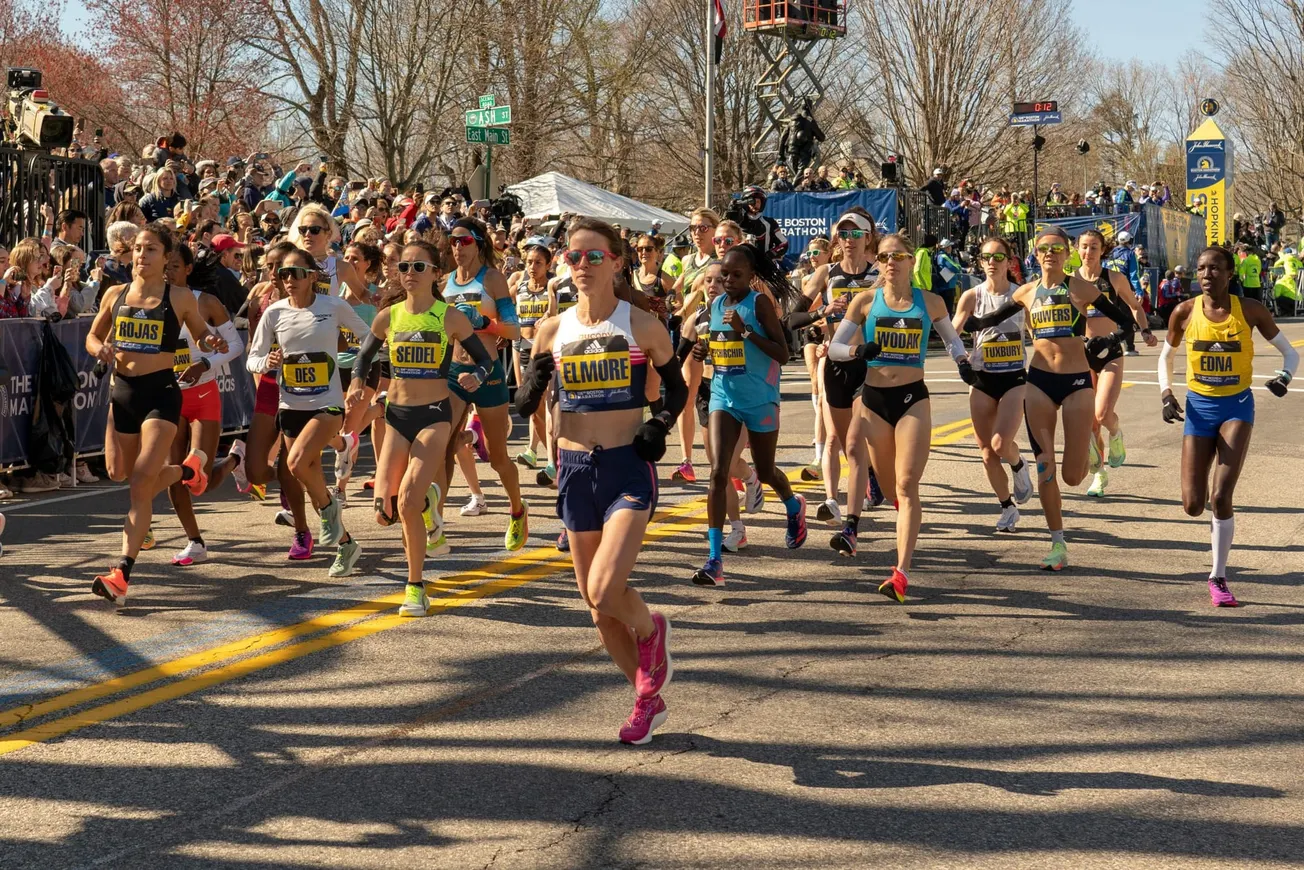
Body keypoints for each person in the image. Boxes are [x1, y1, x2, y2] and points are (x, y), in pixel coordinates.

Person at [514, 217, 685, 746]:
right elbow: (525, 403)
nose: (581, 265)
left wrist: (659, 424)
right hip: (574, 470)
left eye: (592, 256)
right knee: (596, 609)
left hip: (626, 467)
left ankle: (652, 629)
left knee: (605, 588)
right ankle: (646, 700)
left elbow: (676, 389)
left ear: (617, 261)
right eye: (573, 257)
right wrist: (530, 385)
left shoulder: (642, 325)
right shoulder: (553, 328)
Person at [965, 225, 1139, 571]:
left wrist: (1108, 341)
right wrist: (962, 326)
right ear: (1035, 253)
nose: (1050, 254)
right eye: (1043, 249)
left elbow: (1125, 323)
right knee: (1046, 467)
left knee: (1073, 477)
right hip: (1039, 383)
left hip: (1076, 383)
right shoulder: (1027, 292)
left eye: (1057, 249)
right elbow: (988, 319)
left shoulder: (1081, 288)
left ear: (1066, 254)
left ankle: (1089, 451)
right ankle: (1057, 542)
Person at [85, 223, 230, 606]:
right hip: (123, 393)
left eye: (151, 249)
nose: (142, 255)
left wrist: (211, 340)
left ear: (167, 258)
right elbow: (92, 336)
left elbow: (201, 334)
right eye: (138, 248)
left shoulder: (180, 297)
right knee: (120, 472)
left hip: (161, 395)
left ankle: (121, 573)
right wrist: (98, 347)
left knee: (140, 483)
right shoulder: (115, 294)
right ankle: (188, 470)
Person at [349, 239, 496, 616]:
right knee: (384, 512)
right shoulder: (389, 316)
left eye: (418, 267)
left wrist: (476, 377)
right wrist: (357, 387)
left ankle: (415, 587)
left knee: (407, 502)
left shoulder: (450, 317)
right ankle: (429, 507)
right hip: (396, 417)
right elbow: (364, 358)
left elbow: (485, 361)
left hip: (434, 415)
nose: (410, 274)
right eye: (404, 268)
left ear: (436, 274)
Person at [827, 232, 976, 601]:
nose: (890, 262)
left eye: (898, 256)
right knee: (893, 487)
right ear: (877, 263)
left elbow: (951, 339)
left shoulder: (930, 302)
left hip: (912, 399)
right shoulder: (865, 301)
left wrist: (962, 362)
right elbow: (834, 348)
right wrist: (859, 350)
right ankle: (898, 526)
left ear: (912, 261)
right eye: (884, 257)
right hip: (875, 400)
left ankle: (901, 572)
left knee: (908, 485)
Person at [1158, 246, 1297, 606]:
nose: (1206, 275)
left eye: (1215, 268)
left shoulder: (1249, 310)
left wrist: (1285, 376)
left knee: (1221, 496)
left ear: (1230, 273)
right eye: (1201, 268)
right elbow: (1166, 356)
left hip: (1236, 406)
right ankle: (1208, 519)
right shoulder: (1184, 312)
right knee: (1192, 504)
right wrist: (1166, 393)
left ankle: (1218, 576)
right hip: (1198, 409)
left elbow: (1291, 352)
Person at [246, 246, 371, 577]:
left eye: (296, 273)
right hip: (290, 407)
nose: (289, 279)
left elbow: (368, 339)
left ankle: (330, 514)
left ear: (313, 276)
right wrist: (267, 362)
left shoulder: (333, 306)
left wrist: (356, 375)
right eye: (284, 274)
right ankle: (346, 543)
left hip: (328, 405)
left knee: (295, 463)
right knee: (309, 478)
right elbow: (252, 358)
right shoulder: (274, 313)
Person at [691, 244, 807, 586]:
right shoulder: (714, 305)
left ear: (751, 276)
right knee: (717, 471)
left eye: (736, 275)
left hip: (760, 398)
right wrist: (704, 349)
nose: (727, 280)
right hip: (724, 396)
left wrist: (745, 330)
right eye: (724, 274)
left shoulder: (757, 303)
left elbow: (782, 353)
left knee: (766, 469)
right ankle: (714, 560)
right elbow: (717, 343)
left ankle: (792, 504)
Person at [790, 210, 883, 526]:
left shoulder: (880, 273)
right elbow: (791, 319)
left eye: (855, 234)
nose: (849, 240)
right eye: (843, 234)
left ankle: (870, 475)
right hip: (835, 362)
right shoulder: (826, 274)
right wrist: (823, 312)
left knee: (857, 440)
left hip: (869, 365)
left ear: (867, 237)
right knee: (834, 438)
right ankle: (831, 500)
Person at [440, 217, 527, 552]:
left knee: (497, 457)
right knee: (442, 444)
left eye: (464, 241)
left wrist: (484, 323)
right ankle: (436, 519)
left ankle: (517, 510)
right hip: (453, 372)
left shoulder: (492, 279)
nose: (458, 247)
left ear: (478, 243)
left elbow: (514, 330)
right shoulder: (446, 282)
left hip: (487, 372)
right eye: (453, 241)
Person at [163, 245, 245, 566]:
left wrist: (205, 365)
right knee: (174, 474)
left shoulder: (206, 302)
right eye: (163, 266)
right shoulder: (153, 302)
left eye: (173, 266)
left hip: (202, 396)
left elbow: (236, 345)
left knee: (201, 482)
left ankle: (235, 460)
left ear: (187, 269)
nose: (167, 272)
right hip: (169, 398)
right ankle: (195, 542)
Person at [951, 237, 1033, 531]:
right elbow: (952, 333)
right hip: (982, 377)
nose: (992, 263)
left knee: (1000, 444)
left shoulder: (1022, 294)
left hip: (1013, 378)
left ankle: (1019, 465)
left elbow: (1039, 334)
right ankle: (1007, 507)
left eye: (999, 257)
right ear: (980, 261)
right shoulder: (972, 296)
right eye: (987, 257)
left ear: (1009, 261)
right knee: (986, 451)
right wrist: (961, 361)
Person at [1075, 229, 1156, 497]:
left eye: (1094, 247)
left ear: (1103, 251)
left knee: (1102, 415)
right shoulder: (1070, 281)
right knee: (1089, 423)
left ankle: (1116, 432)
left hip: (1109, 350)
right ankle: (1098, 475)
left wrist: (1144, 330)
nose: (1089, 253)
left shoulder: (1113, 278)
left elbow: (1134, 306)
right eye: (1084, 247)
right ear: (1077, 249)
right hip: (1080, 354)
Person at [668, 207, 720, 483]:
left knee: (712, 401)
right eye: (692, 228)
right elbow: (676, 287)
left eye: (703, 228)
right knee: (687, 396)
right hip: (691, 333)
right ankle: (687, 460)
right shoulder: (687, 260)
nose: (697, 233)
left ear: (714, 229)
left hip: (716, 333)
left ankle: (725, 462)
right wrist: (671, 301)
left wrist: (681, 309)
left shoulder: (719, 259)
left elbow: (700, 290)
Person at [509, 237, 557, 469]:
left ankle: (552, 458)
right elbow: (504, 306)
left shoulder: (553, 286)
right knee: (528, 401)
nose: (532, 266)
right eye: (529, 262)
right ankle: (533, 450)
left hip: (545, 351)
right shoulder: (518, 285)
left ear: (548, 265)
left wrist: (549, 318)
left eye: (538, 263)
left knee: (545, 403)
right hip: (521, 347)